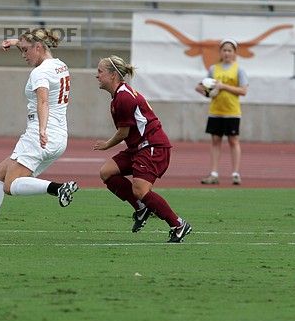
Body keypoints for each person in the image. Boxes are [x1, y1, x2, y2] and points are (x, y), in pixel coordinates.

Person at [0, 27, 78, 242]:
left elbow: (43, 101)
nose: (23, 56)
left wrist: (42, 129)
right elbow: (30, 42)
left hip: (40, 135)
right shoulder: (59, 65)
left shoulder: (40, 72)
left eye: (26, 51)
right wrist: (13, 41)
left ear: (38, 47)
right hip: (60, 137)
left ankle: (58, 188)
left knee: (11, 185)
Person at [93, 55, 191, 243]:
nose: (96, 75)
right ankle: (141, 207)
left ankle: (178, 224)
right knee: (106, 172)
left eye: (100, 71)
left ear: (113, 75)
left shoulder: (123, 97)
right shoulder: (118, 95)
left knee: (140, 190)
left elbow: (123, 133)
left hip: (152, 146)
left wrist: (106, 145)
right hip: (138, 147)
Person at [195, 38, 248, 185]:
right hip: (216, 111)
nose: (227, 53)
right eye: (224, 50)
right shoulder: (213, 68)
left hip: (232, 111)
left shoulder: (239, 70)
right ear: (220, 52)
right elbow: (200, 86)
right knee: (215, 141)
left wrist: (223, 86)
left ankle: (235, 173)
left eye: (230, 50)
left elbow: (243, 91)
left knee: (233, 141)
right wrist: (208, 93)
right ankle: (214, 173)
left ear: (234, 53)